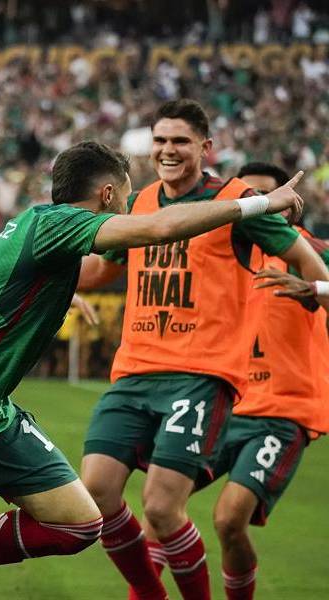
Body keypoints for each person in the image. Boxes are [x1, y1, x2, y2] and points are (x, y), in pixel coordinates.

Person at [0, 140, 305, 600]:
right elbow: (160, 228)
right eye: (126, 195)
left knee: (79, 523)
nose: (129, 205)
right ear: (108, 194)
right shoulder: (59, 224)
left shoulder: (31, 227)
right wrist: (260, 203)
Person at [76, 100, 329, 600]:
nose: (168, 150)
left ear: (205, 147)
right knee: (96, 494)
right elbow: (103, 268)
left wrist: (316, 290)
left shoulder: (237, 203)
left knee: (168, 509)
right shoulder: (140, 203)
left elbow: (305, 256)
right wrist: (46, 274)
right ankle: (151, 593)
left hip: (202, 377)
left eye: (181, 141)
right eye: (161, 140)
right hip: (135, 371)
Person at [133, 162, 329, 600]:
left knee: (228, 519)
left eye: (267, 197)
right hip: (226, 401)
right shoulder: (217, 248)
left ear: (290, 205)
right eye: (249, 198)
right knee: (158, 511)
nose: (259, 206)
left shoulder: (310, 252)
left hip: (282, 412)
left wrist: (317, 289)